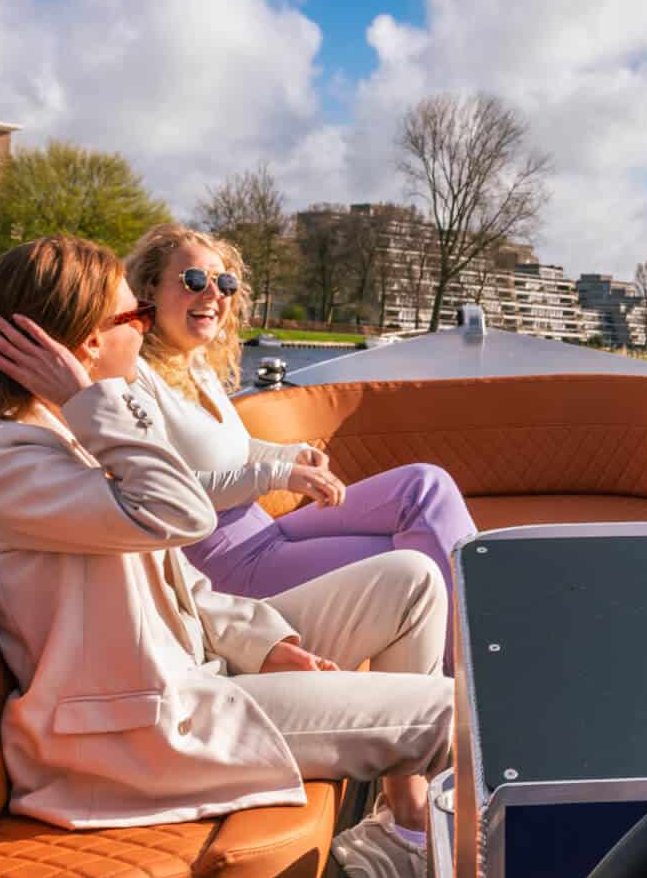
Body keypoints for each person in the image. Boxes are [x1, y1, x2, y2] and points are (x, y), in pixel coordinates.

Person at [0, 234, 446, 878]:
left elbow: (181, 574)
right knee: (459, 714)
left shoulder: (61, 438)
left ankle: (405, 824)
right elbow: (181, 512)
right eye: (135, 319)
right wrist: (89, 399)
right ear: (84, 347)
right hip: (143, 736)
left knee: (412, 581)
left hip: (195, 675)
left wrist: (268, 642)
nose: (147, 328)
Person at [123, 224, 477, 669]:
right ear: (150, 288)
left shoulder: (196, 367)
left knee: (424, 485)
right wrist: (276, 475)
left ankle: (481, 634)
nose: (213, 293)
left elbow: (231, 447)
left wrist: (286, 455)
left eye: (224, 282)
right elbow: (164, 495)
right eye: (195, 280)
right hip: (228, 567)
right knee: (411, 564)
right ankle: (469, 682)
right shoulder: (136, 377)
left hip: (261, 531)